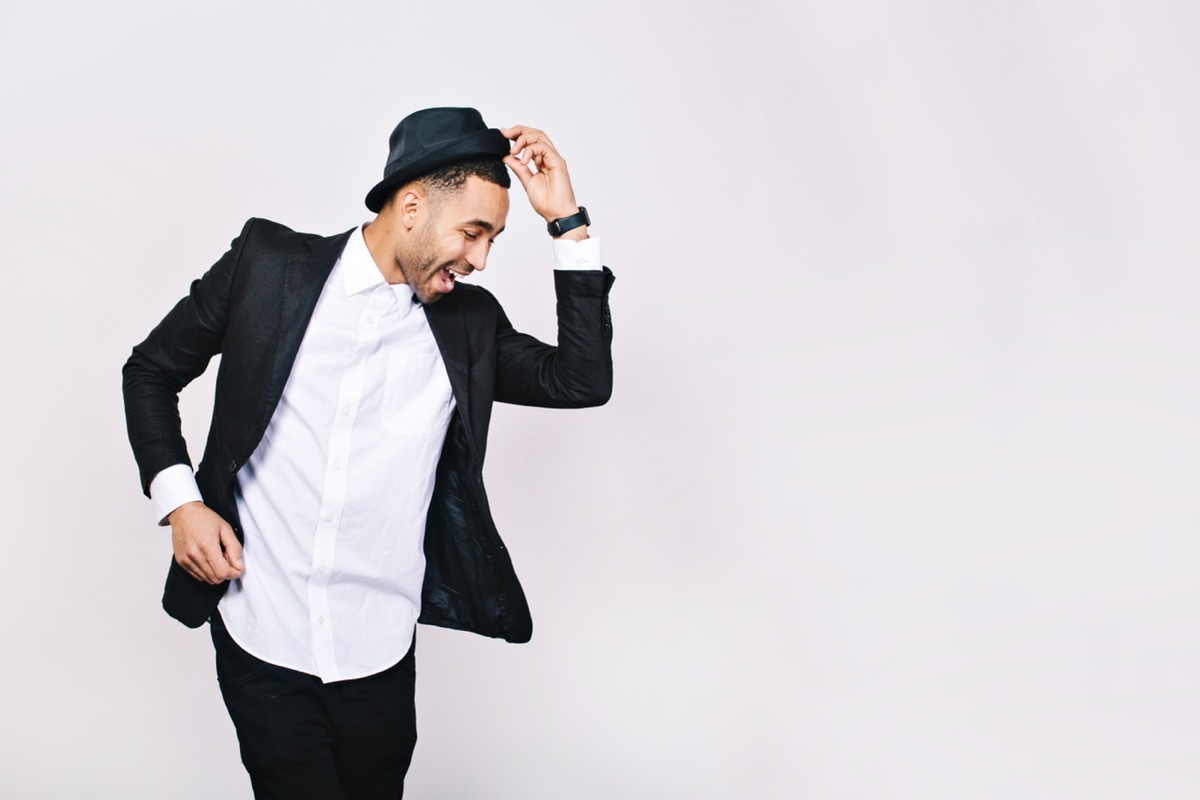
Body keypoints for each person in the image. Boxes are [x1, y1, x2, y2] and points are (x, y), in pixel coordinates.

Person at [122, 106, 614, 799]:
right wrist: (182, 505)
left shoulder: (469, 327)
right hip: (263, 634)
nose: (479, 259)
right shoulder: (268, 268)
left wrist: (567, 221)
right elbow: (149, 370)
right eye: (474, 232)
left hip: (379, 652)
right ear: (411, 206)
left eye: (494, 240)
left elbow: (581, 381)